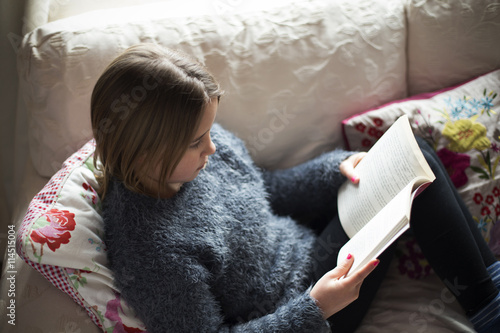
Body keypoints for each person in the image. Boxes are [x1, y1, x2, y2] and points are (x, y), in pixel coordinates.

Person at [91, 43, 500, 333]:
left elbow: (265, 187)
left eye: (209, 131)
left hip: (309, 248)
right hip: (305, 306)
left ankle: (490, 303)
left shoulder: (202, 154)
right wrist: (316, 308)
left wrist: (333, 170)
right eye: (197, 142)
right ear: (147, 151)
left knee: (414, 159)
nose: (213, 147)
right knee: (415, 172)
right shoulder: (150, 251)